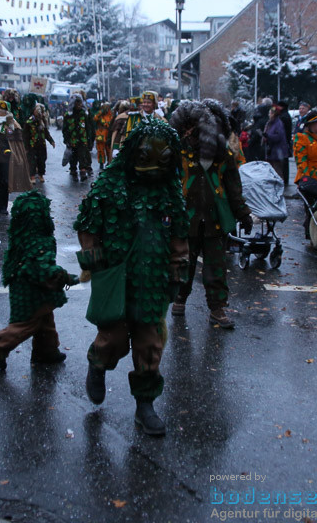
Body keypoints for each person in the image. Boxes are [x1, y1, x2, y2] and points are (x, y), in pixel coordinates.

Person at [77, 119, 188, 437]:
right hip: (116, 277)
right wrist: (94, 258)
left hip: (152, 280)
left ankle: (145, 405)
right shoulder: (111, 184)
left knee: (149, 344)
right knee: (112, 337)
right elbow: (88, 222)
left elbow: (179, 235)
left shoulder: (170, 193)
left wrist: (176, 270)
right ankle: (98, 363)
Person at [170, 100, 252, 329]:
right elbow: (167, 184)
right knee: (184, 264)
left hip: (215, 219)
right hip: (186, 218)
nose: (192, 133)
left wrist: (243, 213)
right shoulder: (178, 152)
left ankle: (217, 308)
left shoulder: (222, 153)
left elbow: (233, 187)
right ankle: (179, 298)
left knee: (215, 267)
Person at [0, 190, 71, 370]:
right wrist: (65, 277)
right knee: (27, 323)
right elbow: (41, 268)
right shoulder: (41, 241)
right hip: (32, 288)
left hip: (25, 284)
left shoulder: (21, 235)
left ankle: (47, 351)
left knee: (46, 319)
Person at [62, 95, 94, 180]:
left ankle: (82, 171)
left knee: (82, 155)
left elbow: (87, 127)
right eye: (77, 103)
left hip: (82, 139)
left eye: (80, 103)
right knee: (73, 156)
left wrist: (89, 139)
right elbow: (65, 128)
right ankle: (73, 169)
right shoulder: (68, 115)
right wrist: (66, 139)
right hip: (72, 139)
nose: (79, 105)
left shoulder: (84, 114)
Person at [25, 102, 55, 184]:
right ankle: (32, 176)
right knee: (32, 161)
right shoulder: (29, 122)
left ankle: (41, 174)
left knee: (42, 160)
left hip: (41, 145)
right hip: (32, 145)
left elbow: (46, 133)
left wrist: (51, 141)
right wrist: (26, 147)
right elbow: (25, 136)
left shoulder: (42, 122)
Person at [263, 102, 290, 187]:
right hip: (272, 150)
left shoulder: (278, 123)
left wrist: (268, 136)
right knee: (272, 169)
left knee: (277, 170)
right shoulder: (270, 123)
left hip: (277, 151)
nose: (269, 114)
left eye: (270, 113)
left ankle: (279, 186)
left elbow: (279, 136)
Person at [94, 101, 114, 168]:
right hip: (100, 133)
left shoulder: (111, 114)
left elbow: (111, 123)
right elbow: (95, 118)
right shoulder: (100, 114)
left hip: (108, 134)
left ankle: (109, 162)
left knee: (108, 149)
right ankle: (101, 163)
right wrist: (101, 112)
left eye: (107, 107)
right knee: (100, 149)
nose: (106, 108)